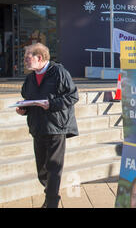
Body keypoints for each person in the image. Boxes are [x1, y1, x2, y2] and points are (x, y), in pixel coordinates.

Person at [16, 43, 79, 208]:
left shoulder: (59, 72)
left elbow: (73, 97)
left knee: (53, 167)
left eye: (27, 57)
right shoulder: (30, 78)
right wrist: (24, 110)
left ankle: (51, 202)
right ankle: (50, 193)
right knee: (42, 171)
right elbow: (28, 99)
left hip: (56, 127)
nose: (25, 61)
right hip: (37, 128)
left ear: (39, 57)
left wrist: (50, 104)